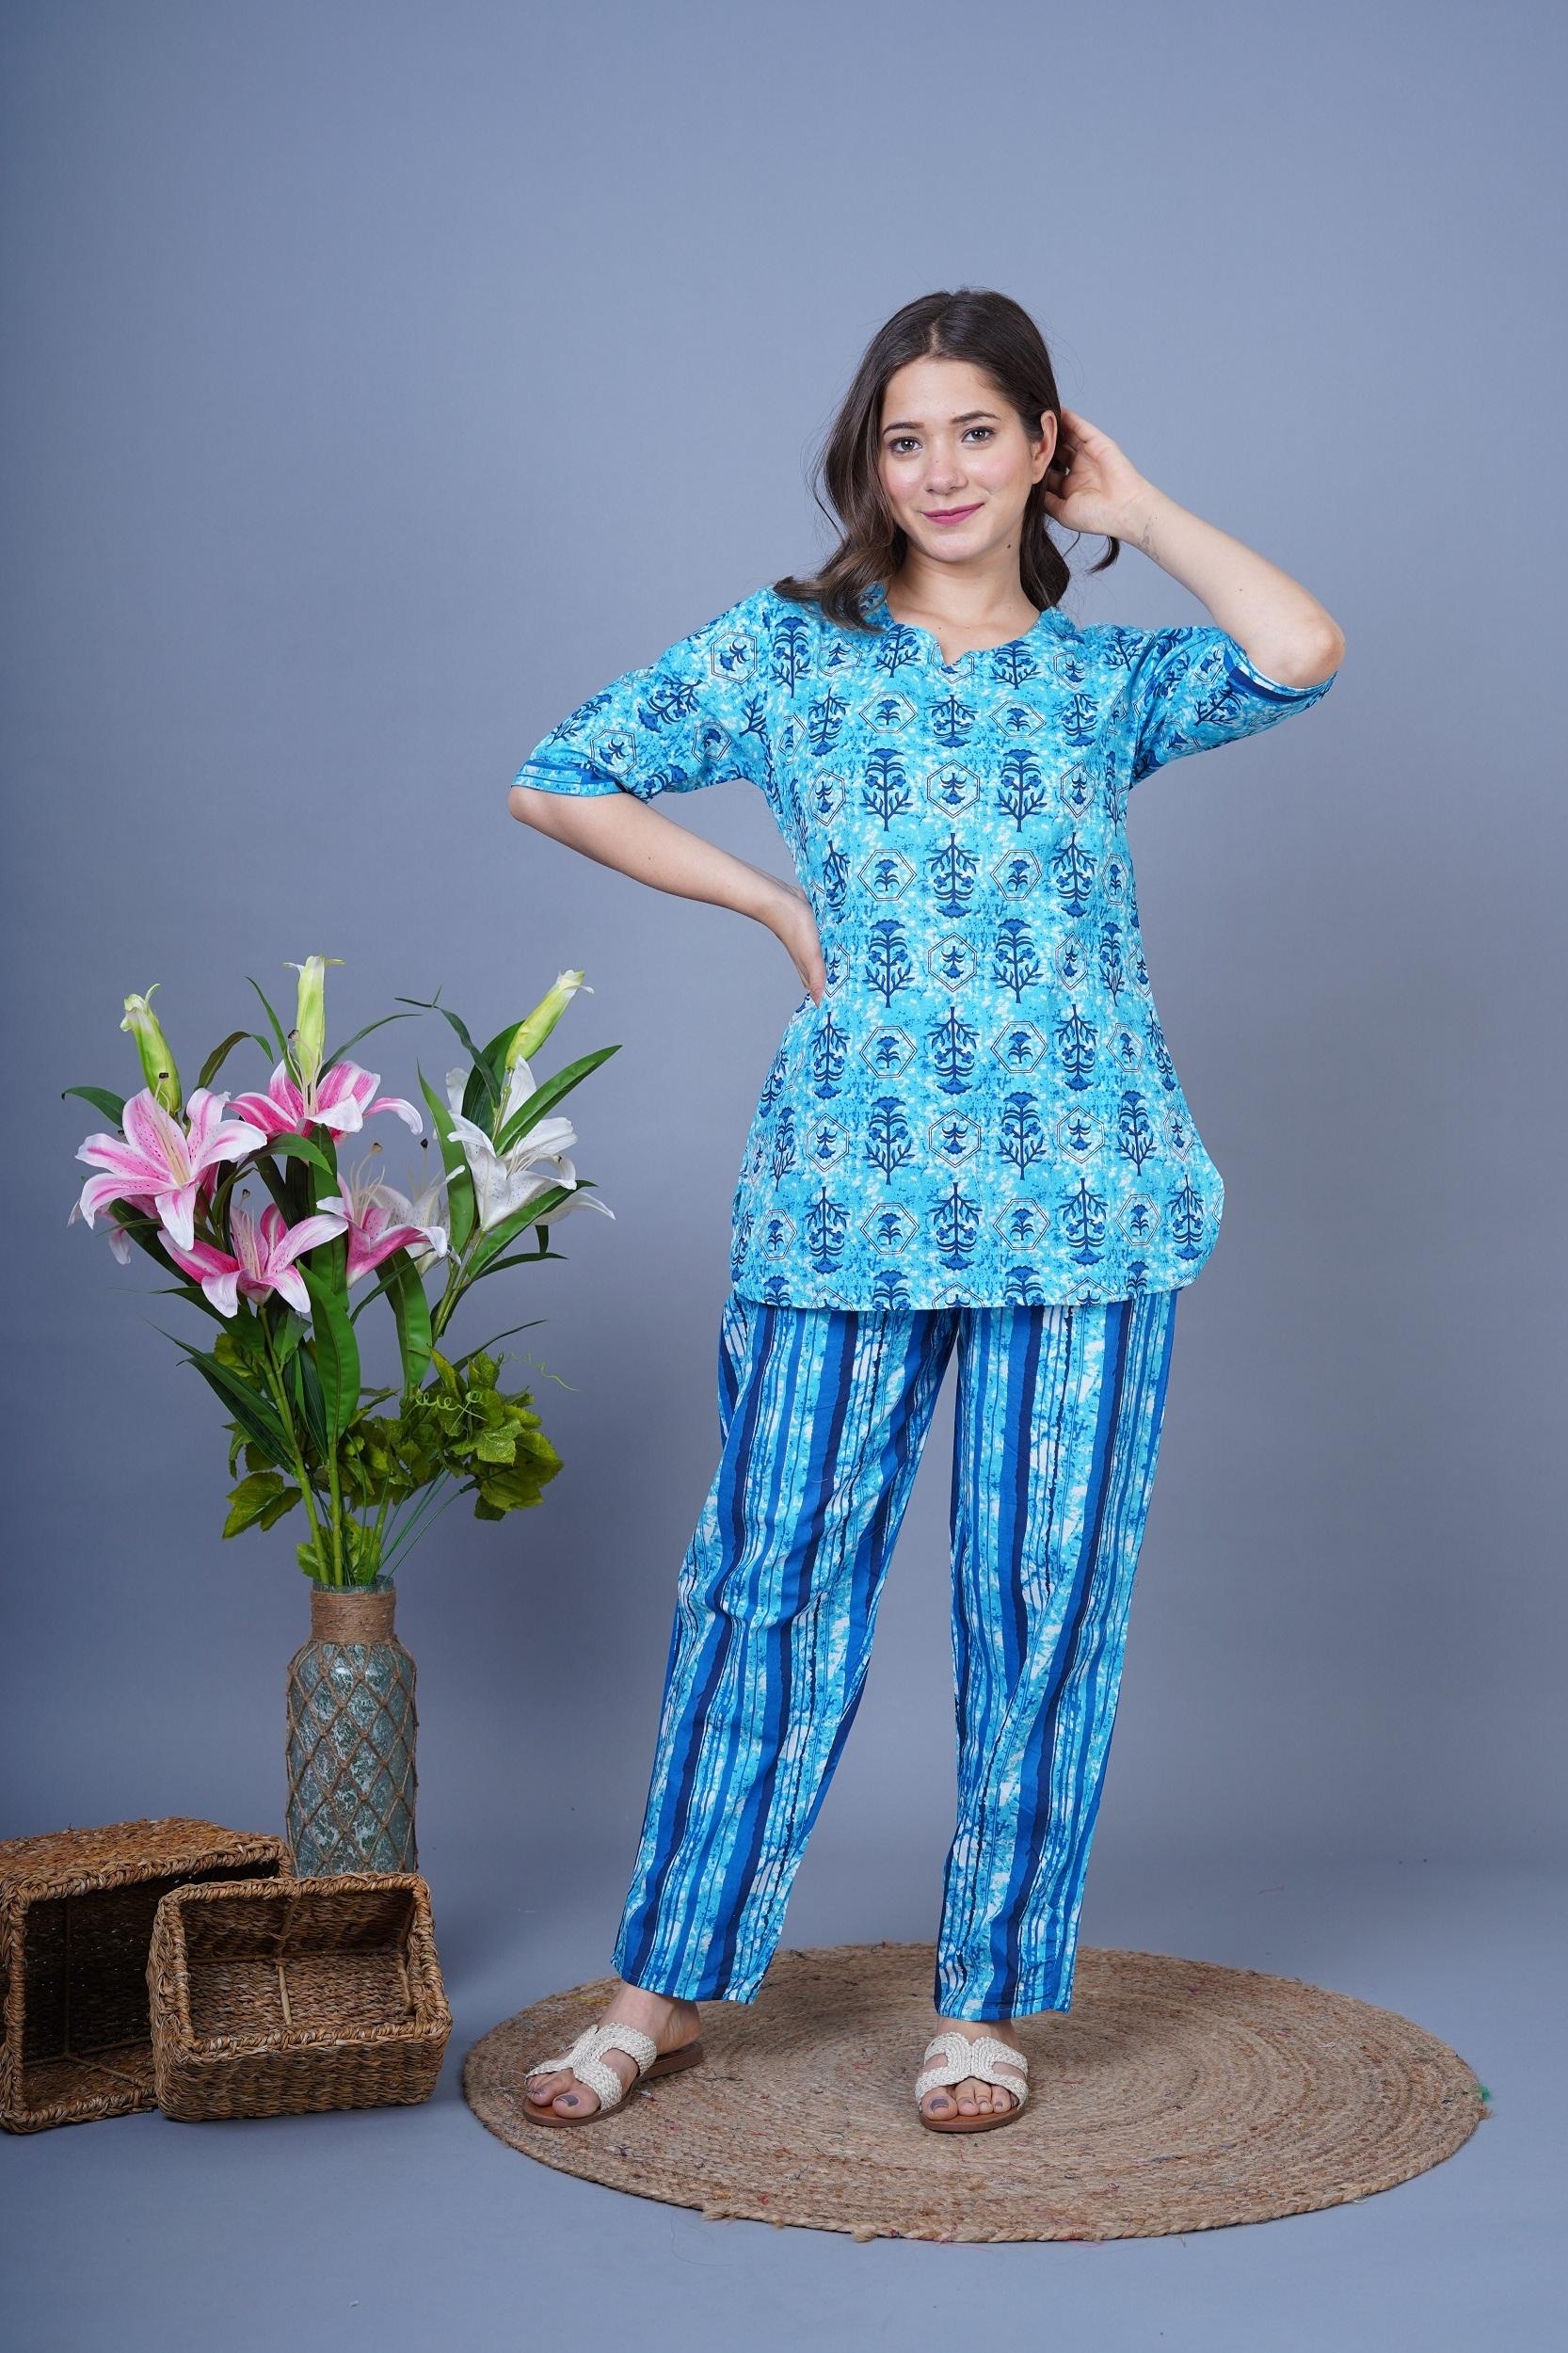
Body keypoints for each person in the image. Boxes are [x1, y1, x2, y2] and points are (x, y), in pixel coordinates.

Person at [504, 286, 1344, 2135]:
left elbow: (1298, 648)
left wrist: (1144, 513)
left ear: (1043, 444)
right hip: (847, 1196)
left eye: (978, 431)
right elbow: (557, 778)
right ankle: (659, 1986)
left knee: (1043, 1600)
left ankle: (982, 2004)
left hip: (1087, 1200)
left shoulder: (1105, 678)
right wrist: (768, 904)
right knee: (766, 1582)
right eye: (905, 438)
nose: (941, 470)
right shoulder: (788, 652)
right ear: (864, 463)